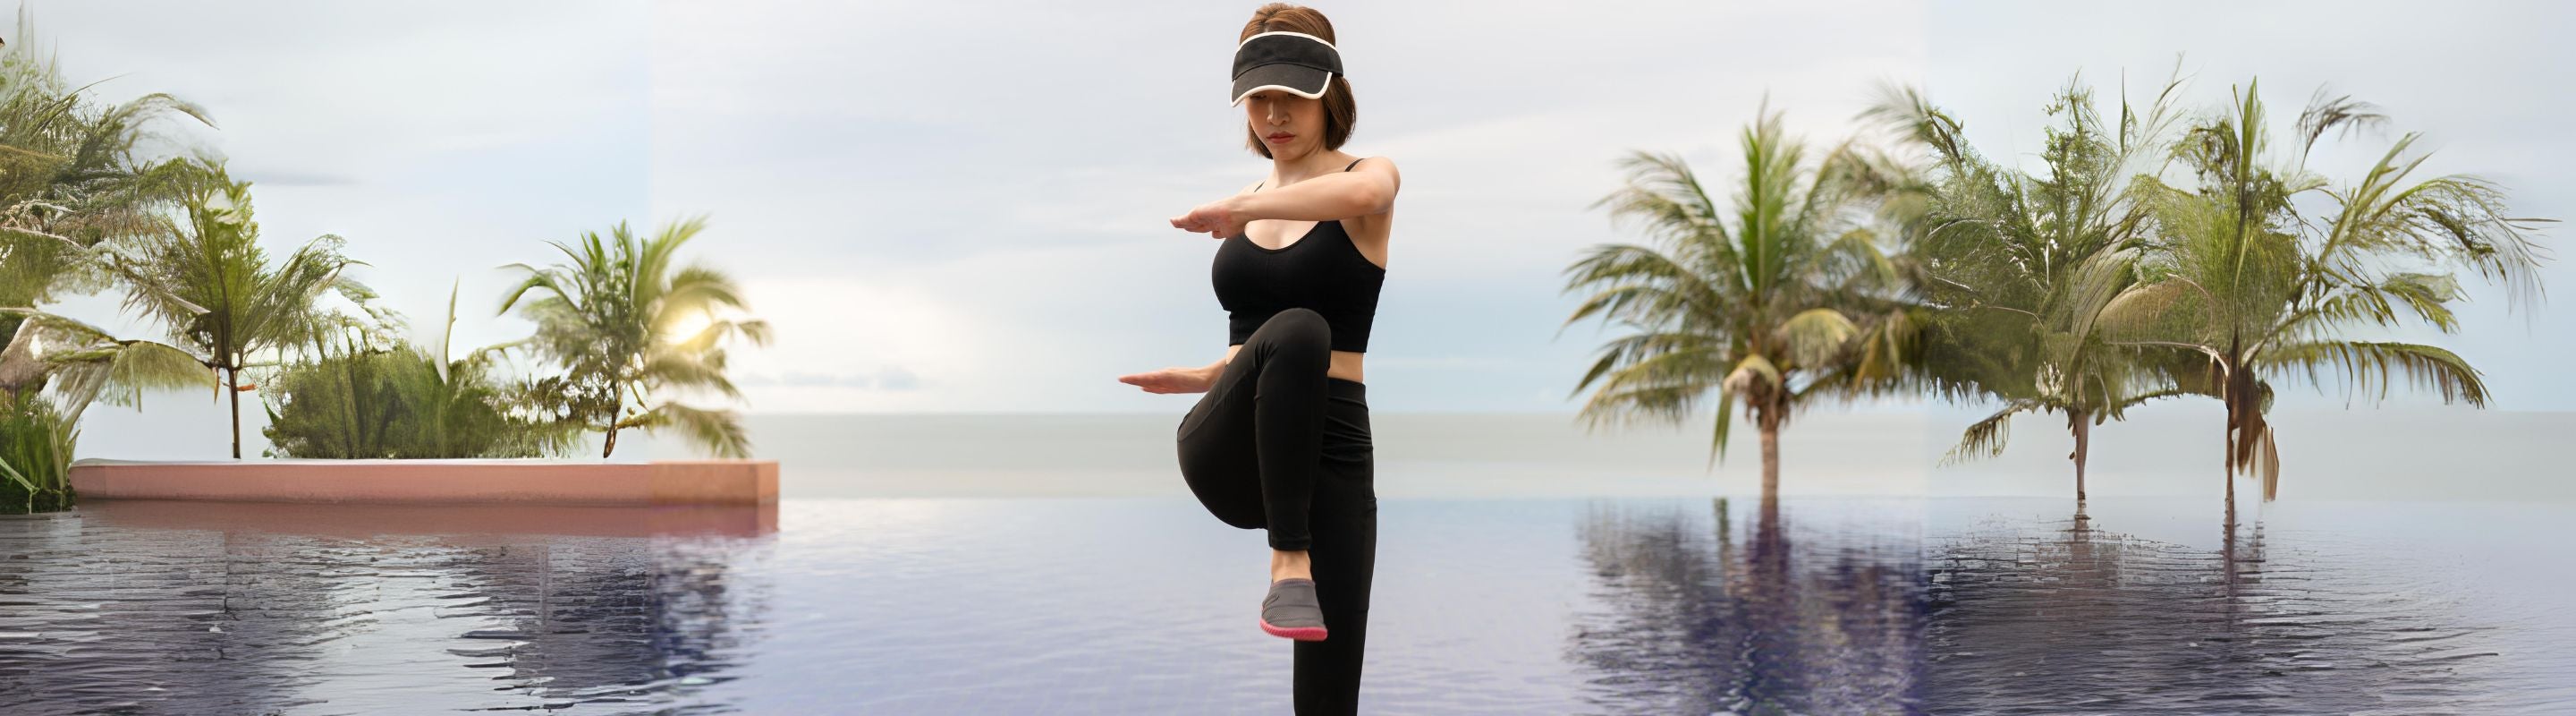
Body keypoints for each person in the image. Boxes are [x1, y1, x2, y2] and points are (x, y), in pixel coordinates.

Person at [1114, 4, 1400, 713]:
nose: (1274, 115)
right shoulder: (1241, 201)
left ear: (1329, 91)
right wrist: (1208, 377)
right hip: (1235, 446)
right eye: (1258, 99)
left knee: (1329, 699)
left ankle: (1297, 559)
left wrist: (1238, 216)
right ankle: (1287, 557)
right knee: (1299, 329)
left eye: (1292, 96)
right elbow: (1257, 347)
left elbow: (1366, 192)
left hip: (1333, 453)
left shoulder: (1366, 180)